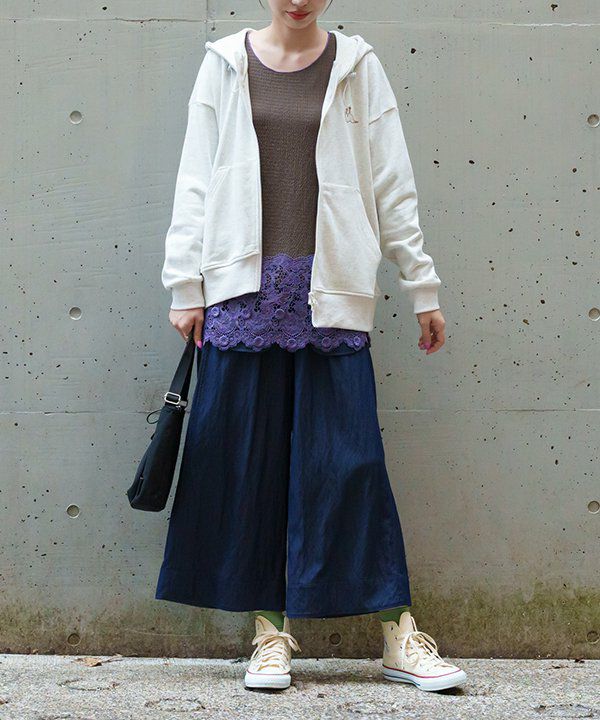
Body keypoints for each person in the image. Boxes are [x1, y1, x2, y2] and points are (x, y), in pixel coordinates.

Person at [155, 0, 466, 694]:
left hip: (333, 290)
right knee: (251, 468)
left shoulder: (357, 65)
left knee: (351, 464)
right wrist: (184, 284)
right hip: (241, 292)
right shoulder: (224, 65)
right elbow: (196, 178)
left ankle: (398, 635)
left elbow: (392, 182)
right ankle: (270, 635)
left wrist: (422, 287)